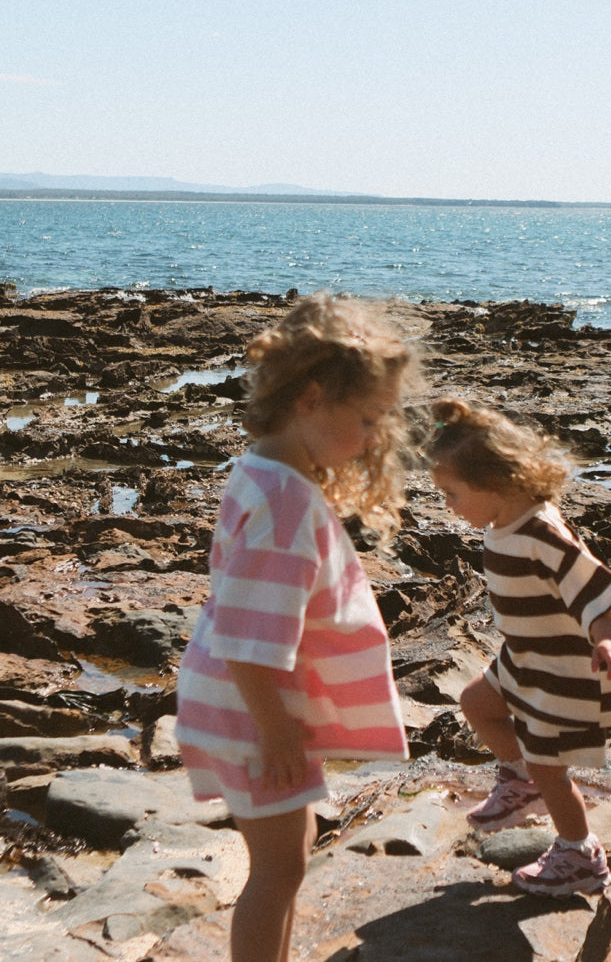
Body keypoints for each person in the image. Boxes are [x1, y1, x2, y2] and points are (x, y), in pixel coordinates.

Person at [175, 293, 415, 962]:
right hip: (253, 709)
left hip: (245, 702)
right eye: (367, 420)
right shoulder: (283, 504)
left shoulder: (264, 468)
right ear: (311, 400)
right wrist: (277, 730)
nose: (375, 439)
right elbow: (250, 641)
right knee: (276, 870)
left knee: (288, 857)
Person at [425, 397, 611, 899]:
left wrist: (606, 636)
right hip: (523, 659)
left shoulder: (543, 530)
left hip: (563, 666)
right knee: (476, 703)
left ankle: (578, 854)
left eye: (452, 494)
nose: (449, 506)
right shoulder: (504, 524)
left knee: (550, 765)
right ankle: (519, 781)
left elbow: (591, 585)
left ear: (494, 482)